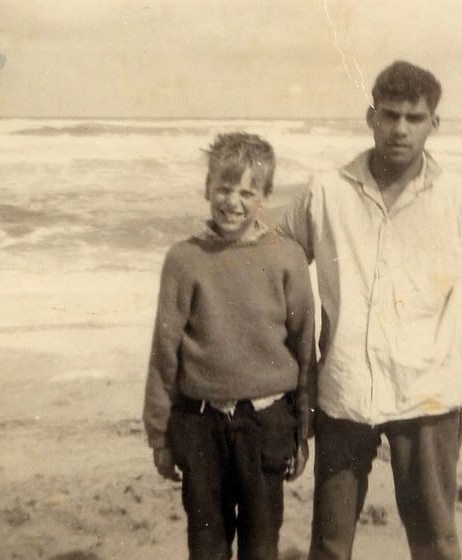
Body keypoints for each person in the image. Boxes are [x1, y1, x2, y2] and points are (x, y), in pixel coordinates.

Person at [277, 60, 462, 560]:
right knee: (329, 545)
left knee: (435, 543)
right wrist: (289, 374)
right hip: (343, 393)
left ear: (435, 123)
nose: (400, 129)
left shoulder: (458, 198)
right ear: (371, 117)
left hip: (427, 397)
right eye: (389, 115)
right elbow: (273, 268)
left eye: (414, 117)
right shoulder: (326, 192)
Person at [142, 132, 315, 560]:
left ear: (265, 197)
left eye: (247, 191)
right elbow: (165, 351)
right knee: (206, 545)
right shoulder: (183, 260)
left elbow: (305, 346)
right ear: (206, 188)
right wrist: (159, 435)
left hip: (267, 421)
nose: (232, 201)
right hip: (200, 425)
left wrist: (303, 430)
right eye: (223, 188)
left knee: (261, 544)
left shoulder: (286, 257)